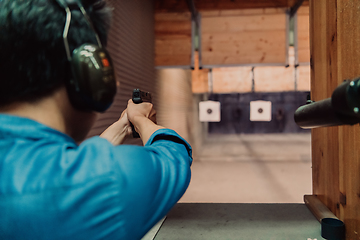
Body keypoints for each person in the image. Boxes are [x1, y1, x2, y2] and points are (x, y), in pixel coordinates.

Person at [0, 0, 192, 239]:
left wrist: (122, 126)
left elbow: (73, 165)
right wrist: (143, 121)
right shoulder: (101, 183)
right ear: (87, 76)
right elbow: (174, 154)